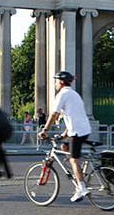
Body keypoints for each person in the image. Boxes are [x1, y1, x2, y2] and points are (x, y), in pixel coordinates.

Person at [38, 71, 94, 202]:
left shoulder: (62, 94)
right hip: (83, 129)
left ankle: (82, 187)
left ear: (61, 82)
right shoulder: (75, 94)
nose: (55, 83)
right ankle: (78, 174)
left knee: (74, 159)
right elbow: (74, 115)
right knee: (64, 146)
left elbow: (54, 114)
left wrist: (45, 130)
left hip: (77, 131)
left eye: (56, 81)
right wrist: (64, 134)